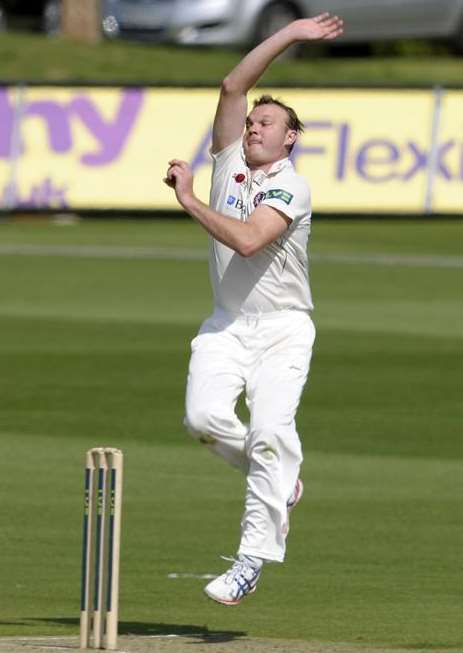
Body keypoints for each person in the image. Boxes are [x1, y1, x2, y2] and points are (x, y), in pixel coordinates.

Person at [164, 13, 344, 606]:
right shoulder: (228, 163)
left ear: (290, 136)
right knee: (202, 420)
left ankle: (250, 560)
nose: (254, 126)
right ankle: (280, 480)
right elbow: (232, 87)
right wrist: (290, 34)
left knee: (269, 432)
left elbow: (247, 239)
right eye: (251, 122)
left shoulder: (293, 187)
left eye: (267, 122)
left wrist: (188, 201)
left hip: (284, 331)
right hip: (226, 325)